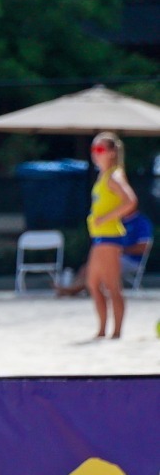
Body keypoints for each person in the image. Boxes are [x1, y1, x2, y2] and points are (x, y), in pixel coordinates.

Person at [86, 131, 140, 340]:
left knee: (112, 286)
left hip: (109, 238)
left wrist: (106, 217)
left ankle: (115, 332)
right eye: (93, 149)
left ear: (111, 153)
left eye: (99, 149)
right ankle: (102, 329)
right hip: (100, 238)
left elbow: (130, 200)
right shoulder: (103, 176)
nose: (95, 153)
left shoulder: (114, 175)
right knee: (93, 284)